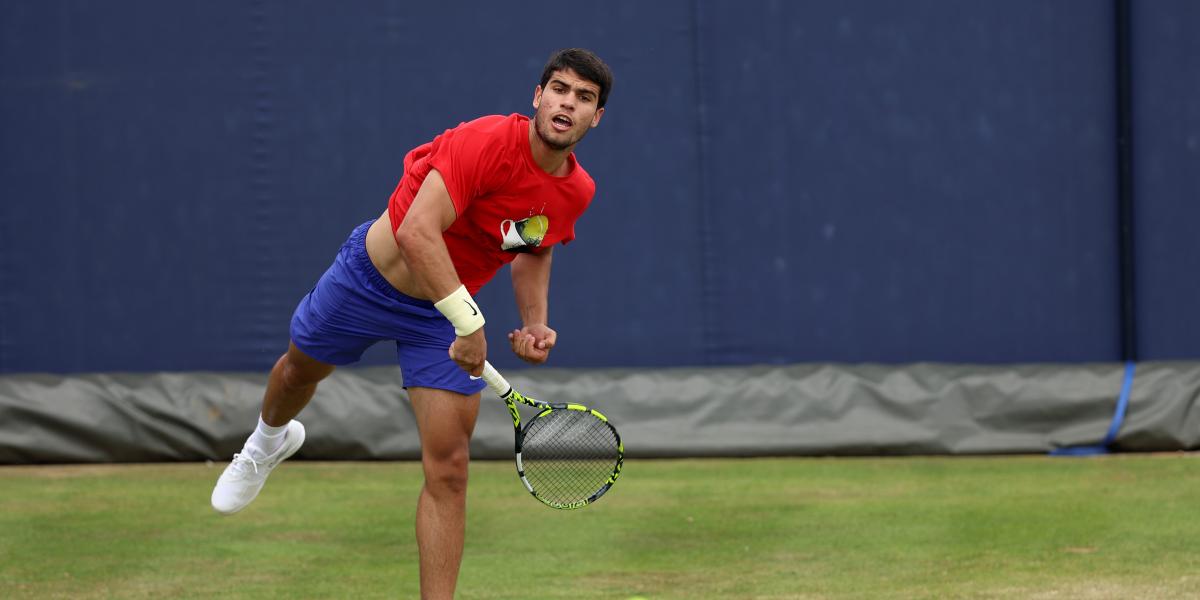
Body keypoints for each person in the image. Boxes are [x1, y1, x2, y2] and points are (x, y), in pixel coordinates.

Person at [210, 48, 612, 599]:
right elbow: (417, 232)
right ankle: (265, 443)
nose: (569, 103)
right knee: (299, 371)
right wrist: (469, 323)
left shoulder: (576, 191)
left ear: (597, 117)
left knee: (449, 469)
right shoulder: (488, 141)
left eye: (584, 98)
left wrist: (534, 321)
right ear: (538, 98)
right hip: (370, 280)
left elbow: (533, 245)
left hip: (439, 320)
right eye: (560, 90)